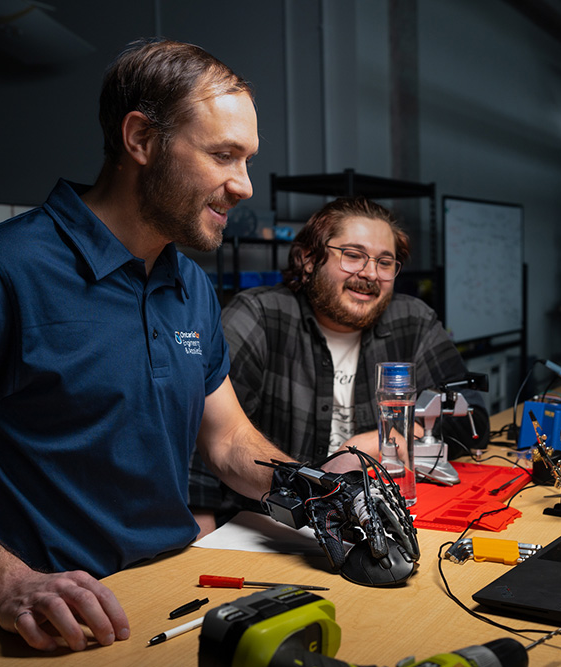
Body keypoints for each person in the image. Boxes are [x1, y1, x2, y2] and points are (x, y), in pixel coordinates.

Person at [0, 38, 323, 653]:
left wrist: (318, 490)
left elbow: (227, 441)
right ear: (140, 140)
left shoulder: (187, 281)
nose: (244, 186)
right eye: (223, 155)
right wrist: (10, 583)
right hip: (44, 625)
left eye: (247, 159)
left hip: (170, 598)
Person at [189, 197, 490, 531]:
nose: (370, 274)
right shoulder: (259, 317)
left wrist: (384, 438)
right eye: (353, 255)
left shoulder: (413, 321)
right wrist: (200, 540)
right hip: (268, 529)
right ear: (307, 259)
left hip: (375, 522)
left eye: (385, 262)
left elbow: (473, 419)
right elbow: (200, 439)